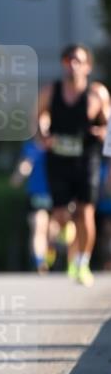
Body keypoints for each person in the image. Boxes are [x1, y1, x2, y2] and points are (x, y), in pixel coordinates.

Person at [38, 44, 110, 286]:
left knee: (85, 211)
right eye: (68, 60)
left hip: (87, 157)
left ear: (88, 66)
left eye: (78, 60)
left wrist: (101, 134)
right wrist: (44, 135)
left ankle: (82, 263)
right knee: (59, 214)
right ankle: (66, 229)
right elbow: (38, 119)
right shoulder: (51, 92)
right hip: (58, 158)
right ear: (63, 64)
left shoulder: (97, 94)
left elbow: (108, 126)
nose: (72, 64)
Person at [9, 138, 58, 273]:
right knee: (38, 225)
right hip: (36, 194)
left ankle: (49, 259)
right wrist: (20, 173)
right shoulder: (29, 147)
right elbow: (19, 174)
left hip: (54, 194)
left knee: (52, 231)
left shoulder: (56, 144)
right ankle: (39, 263)